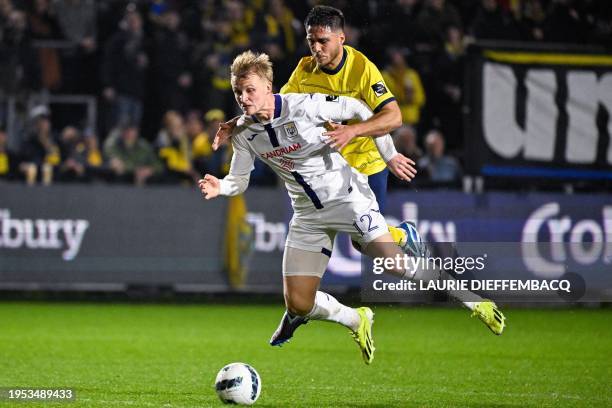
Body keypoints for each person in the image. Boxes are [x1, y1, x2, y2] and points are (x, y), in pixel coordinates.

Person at [199, 51, 506, 365]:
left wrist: (389, 155)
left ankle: (473, 301)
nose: (244, 97)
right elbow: (239, 180)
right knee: (299, 304)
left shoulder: (304, 106)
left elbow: (359, 108)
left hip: (347, 199)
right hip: (307, 217)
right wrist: (220, 186)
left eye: (250, 89)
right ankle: (356, 319)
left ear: (268, 86)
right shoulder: (242, 133)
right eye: (238, 91)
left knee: (395, 265)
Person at [212, 6, 416, 243]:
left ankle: (405, 238)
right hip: (332, 166)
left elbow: (393, 117)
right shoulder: (304, 70)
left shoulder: (362, 69)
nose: (316, 48)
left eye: (323, 41)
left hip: (365, 161)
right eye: (311, 41)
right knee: (355, 237)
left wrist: (355, 132)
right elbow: (272, 106)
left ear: (341, 38)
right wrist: (238, 122)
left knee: (366, 240)